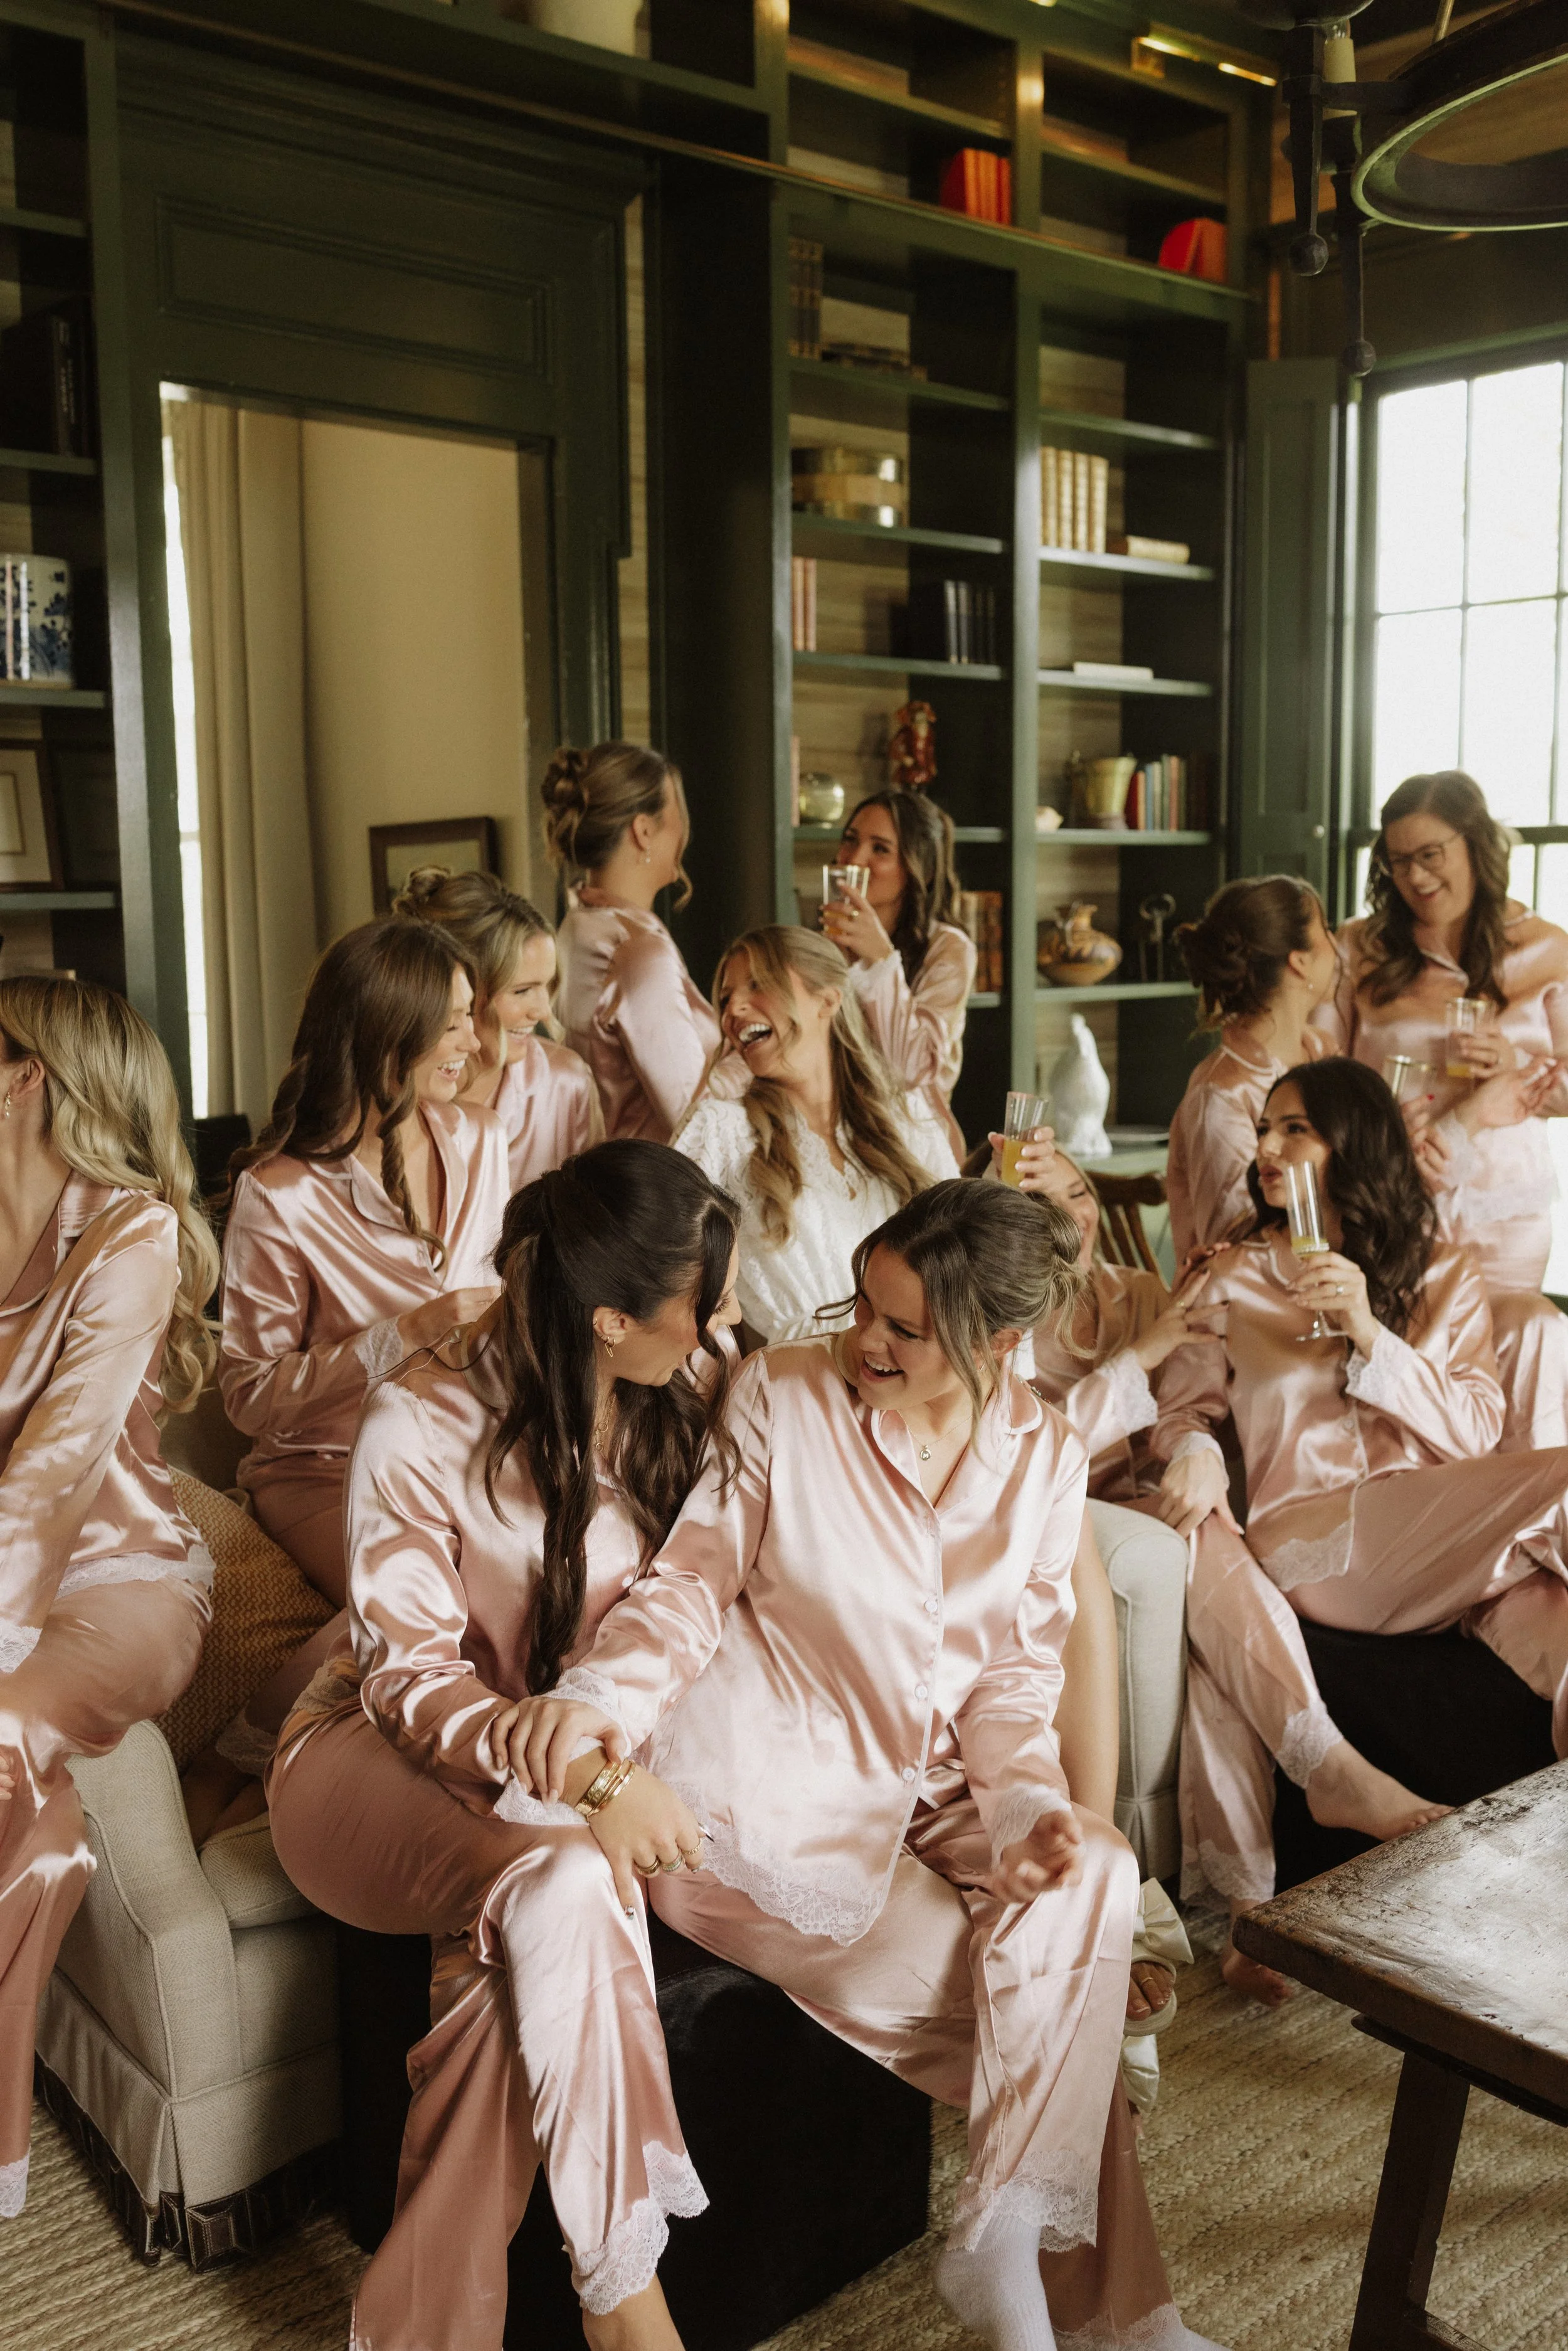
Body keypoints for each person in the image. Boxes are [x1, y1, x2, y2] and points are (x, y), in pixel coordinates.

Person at [504, 1182, 1225, 2351]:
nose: (864, 1342)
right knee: (1059, 1998)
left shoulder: (1043, 1455)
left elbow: (1012, 1682)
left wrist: (1029, 1811)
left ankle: (1004, 2251)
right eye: (862, 1305)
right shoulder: (782, 1393)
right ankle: (1119, 2321)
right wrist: (595, 1707)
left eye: (904, 1328)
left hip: (948, 1790)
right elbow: (690, 1585)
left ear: (998, 1345)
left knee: (1089, 1873)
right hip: (767, 1801)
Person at [267, 1142, 743, 2351]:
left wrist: (582, 1742)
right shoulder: (418, 1418)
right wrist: (587, 1772)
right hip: (365, 1760)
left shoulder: (680, 1384)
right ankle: (627, 2306)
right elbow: (406, 1681)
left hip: (538, 1795)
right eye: (702, 1302)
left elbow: (691, 1591)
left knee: (516, 1963)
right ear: (610, 1317)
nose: (724, 1322)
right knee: (571, 1873)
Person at [1149, 1058, 1568, 2002]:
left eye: (1294, 1128)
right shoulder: (1232, 1276)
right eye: (1264, 1127)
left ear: (1356, 1141)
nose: (1265, 1145)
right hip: (1316, 1546)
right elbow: (1181, 1410)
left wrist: (1372, 1332)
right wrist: (1198, 1449)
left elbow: (1473, 1430)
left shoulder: (1444, 1273)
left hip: (1435, 1543)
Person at [0, 976, 220, 2220]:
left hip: (122, 1581)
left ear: (25, 1071)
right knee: (32, 1829)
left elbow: (57, 1464)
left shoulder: (130, 1233)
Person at [218, 918, 508, 1605]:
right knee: (427, 1607)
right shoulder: (280, 1194)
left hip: (470, 1454)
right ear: (387, 1033)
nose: (474, 1042)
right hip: (327, 1472)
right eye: (452, 1023)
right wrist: (402, 1335)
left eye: (471, 1018)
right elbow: (249, 1396)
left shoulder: (484, 1139)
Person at [1316, 769, 1568, 1450]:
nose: (1416, 878)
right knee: (1412, 1363)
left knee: (1517, 1353)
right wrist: (1373, 1129)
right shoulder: (1360, 946)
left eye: (1431, 855)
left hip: (1503, 1207)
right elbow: (1320, 1079)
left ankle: (1528, 1505)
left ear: (1475, 844)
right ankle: (1435, 1505)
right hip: (1396, 1195)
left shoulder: (1546, 946)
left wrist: (1515, 1065)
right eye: (1398, 862)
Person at [674, 925, 958, 1344]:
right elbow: (657, 1263)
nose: (733, 1009)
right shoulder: (720, 1130)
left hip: (920, 1371)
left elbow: (970, 1256)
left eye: (758, 984)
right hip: (800, 1375)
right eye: (726, 998)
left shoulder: (909, 1119)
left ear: (827, 1000)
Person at [548, 742, 721, 1144]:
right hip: (658, 1178)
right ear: (644, 831)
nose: (684, 834)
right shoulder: (638, 953)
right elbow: (695, 1125)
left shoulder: (577, 927)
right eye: (678, 816)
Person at [393, 864, 602, 1188]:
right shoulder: (397, 1086)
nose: (543, 1011)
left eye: (547, 986)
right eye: (522, 991)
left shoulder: (567, 1085)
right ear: (460, 987)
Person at [1165, 875, 1338, 1264]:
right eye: (1326, 929)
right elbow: (1233, 1248)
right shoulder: (1220, 1097)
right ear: (1300, 961)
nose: (1336, 942)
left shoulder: (1325, 1052)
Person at [820, 787, 976, 1157]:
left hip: (913, 1144)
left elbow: (910, 1068)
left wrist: (880, 961)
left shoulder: (949, 949)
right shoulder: (825, 942)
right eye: (850, 840)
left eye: (880, 849)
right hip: (835, 1137)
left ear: (918, 867)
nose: (855, 859)